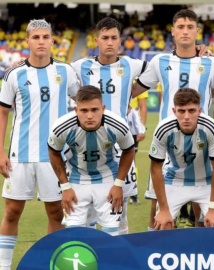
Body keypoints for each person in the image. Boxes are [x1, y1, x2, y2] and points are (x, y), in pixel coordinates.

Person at [131, 9, 214, 231]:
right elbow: (131, 91)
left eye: (190, 27)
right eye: (180, 27)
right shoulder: (160, 61)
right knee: (158, 215)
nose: (185, 31)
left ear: (198, 32)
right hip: (167, 142)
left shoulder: (212, 64)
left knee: (205, 217)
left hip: (204, 142)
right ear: (172, 31)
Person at [0, 19, 80, 270]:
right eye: (36, 37)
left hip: (54, 157)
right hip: (19, 155)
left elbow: (83, 102)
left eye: (46, 37)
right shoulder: (14, 73)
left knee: (56, 213)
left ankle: (49, 265)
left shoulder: (66, 71)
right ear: (28, 42)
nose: (41, 41)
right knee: (12, 211)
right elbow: (2, 113)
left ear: (53, 41)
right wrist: (0, 151)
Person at [71, 17, 147, 234]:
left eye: (114, 38)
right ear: (96, 40)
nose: (110, 42)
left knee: (119, 207)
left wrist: (130, 94)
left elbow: (160, 70)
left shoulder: (132, 65)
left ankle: (119, 254)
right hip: (88, 145)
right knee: (88, 209)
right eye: (105, 38)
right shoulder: (80, 66)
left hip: (121, 146)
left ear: (120, 41)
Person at [48, 85, 135, 236]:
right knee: (75, 234)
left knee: (113, 234)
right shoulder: (62, 127)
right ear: (76, 110)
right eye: (84, 110)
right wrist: (65, 187)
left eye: (94, 110)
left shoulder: (117, 125)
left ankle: (111, 260)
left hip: (108, 178)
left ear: (103, 108)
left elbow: (128, 150)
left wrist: (119, 184)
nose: (89, 116)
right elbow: (53, 152)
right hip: (76, 180)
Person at [149, 88, 214, 230]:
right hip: (175, 179)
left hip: (206, 181)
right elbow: (155, 168)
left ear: (199, 110)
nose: (186, 117)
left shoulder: (211, 127)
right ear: (174, 111)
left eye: (191, 111)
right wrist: (164, 209)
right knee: (162, 225)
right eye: (181, 111)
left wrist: (213, 208)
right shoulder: (163, 129)